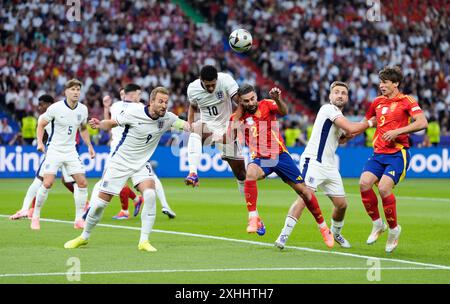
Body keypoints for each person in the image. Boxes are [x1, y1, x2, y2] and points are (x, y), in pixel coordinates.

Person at [64, 86, 190, 252]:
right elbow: (112, 123)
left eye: (166, 102)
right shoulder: (134, 113)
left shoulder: (168, 118)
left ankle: (144, 241)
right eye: (160, 101)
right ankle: (84, 236)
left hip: (141, 164)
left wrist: (206, 129)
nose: (164, 105)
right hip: (120, 162)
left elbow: (187, 125)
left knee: (150, 194)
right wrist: (100, 124)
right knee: (100, 205)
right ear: (151, 101)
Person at [230, 84, 333, 247]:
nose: (251, 102)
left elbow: (284, 112)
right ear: (240, 102)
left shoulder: (267, 104)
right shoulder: (238, 118)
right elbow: (231, 133)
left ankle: (324, 227)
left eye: (252, 98)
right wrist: (238, 115)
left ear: (256, 96)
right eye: (246, 101)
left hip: (280, 156)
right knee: (249, 173)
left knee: (305, 192)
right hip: (261, 159)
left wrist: (278, 99)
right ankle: (253, 217)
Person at [274, 81, 374, 249]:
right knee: (304, 197)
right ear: (330, 96)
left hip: (329, 166)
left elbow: (343, 137)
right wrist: (370, 123)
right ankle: (283, 235)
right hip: (313, 161)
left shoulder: (339, 116)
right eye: (337, 92)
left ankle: (336, 233)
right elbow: (350, 127)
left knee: (342, 205)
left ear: (347, 97)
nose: (340, 95)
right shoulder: (328, 109)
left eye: (343, 93)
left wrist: (360, 127)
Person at [359, 66, 428, 253]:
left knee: (383, 188)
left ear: (395, 83)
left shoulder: (407, 101)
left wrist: (397, 131)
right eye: (380, 82)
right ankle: (377, 224)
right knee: (364, 184)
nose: (381, 85)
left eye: (385, 82)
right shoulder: (377, 102)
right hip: (378, 153)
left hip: (398, 153)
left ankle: (394, 230)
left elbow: (422, 123)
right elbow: (368, 122)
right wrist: (350, 133)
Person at [31, 79, 96, 230]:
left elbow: (83, 128)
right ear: (66, 91)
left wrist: (89, 145)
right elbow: (41, 124)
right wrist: (40, 142)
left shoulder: (83, 109)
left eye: (78, 90)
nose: (75, 92)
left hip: (71, 150)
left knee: (82, 183)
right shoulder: (55, 108)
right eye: (72, 89)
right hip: (54, 149)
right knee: (47, 183)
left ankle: (79, 219)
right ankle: (35, 216)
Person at [185, 65, 246, 199]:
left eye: (213, 84)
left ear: (217, 79)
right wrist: (189, 124)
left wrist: (235, 122)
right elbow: (193, 106)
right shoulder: (193, 88)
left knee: (242, 175)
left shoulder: (225, 80)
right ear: (201, 80)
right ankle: (193, 173)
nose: (211, 88)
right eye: (208, 86)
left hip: (227, 127)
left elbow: (240, 102)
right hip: (209, 126)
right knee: (195, 129)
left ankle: (253, 213)